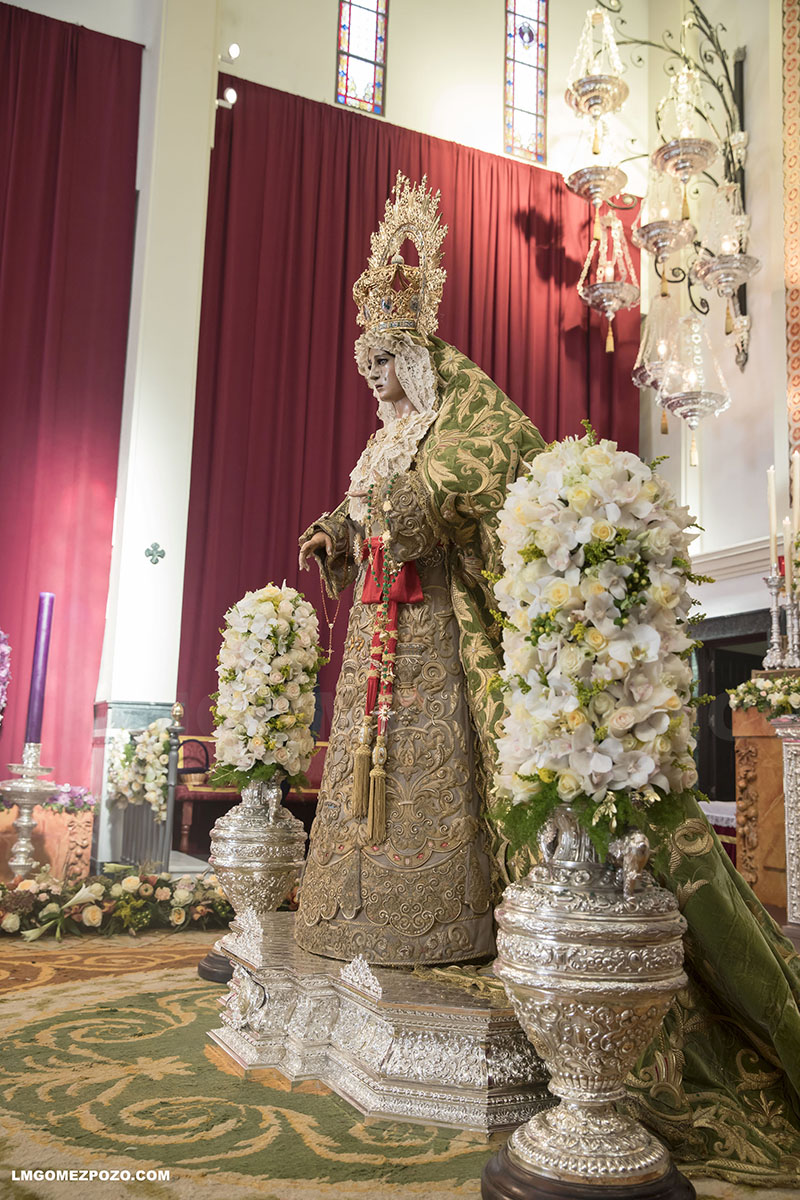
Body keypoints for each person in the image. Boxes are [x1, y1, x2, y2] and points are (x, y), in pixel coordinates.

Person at [294, 174, 544, 965]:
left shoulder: (446, 430)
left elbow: (470, 482)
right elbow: (362, 506)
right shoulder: (383, 440)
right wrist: (334, 534)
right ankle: (350, 912)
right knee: (361, 749)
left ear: (413, 357)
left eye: (385, 360)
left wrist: (410, 515)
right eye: (366, 362)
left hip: (429, 619)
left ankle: (435, 919)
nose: (373, 375)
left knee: (420, 757)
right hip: (375, 618)